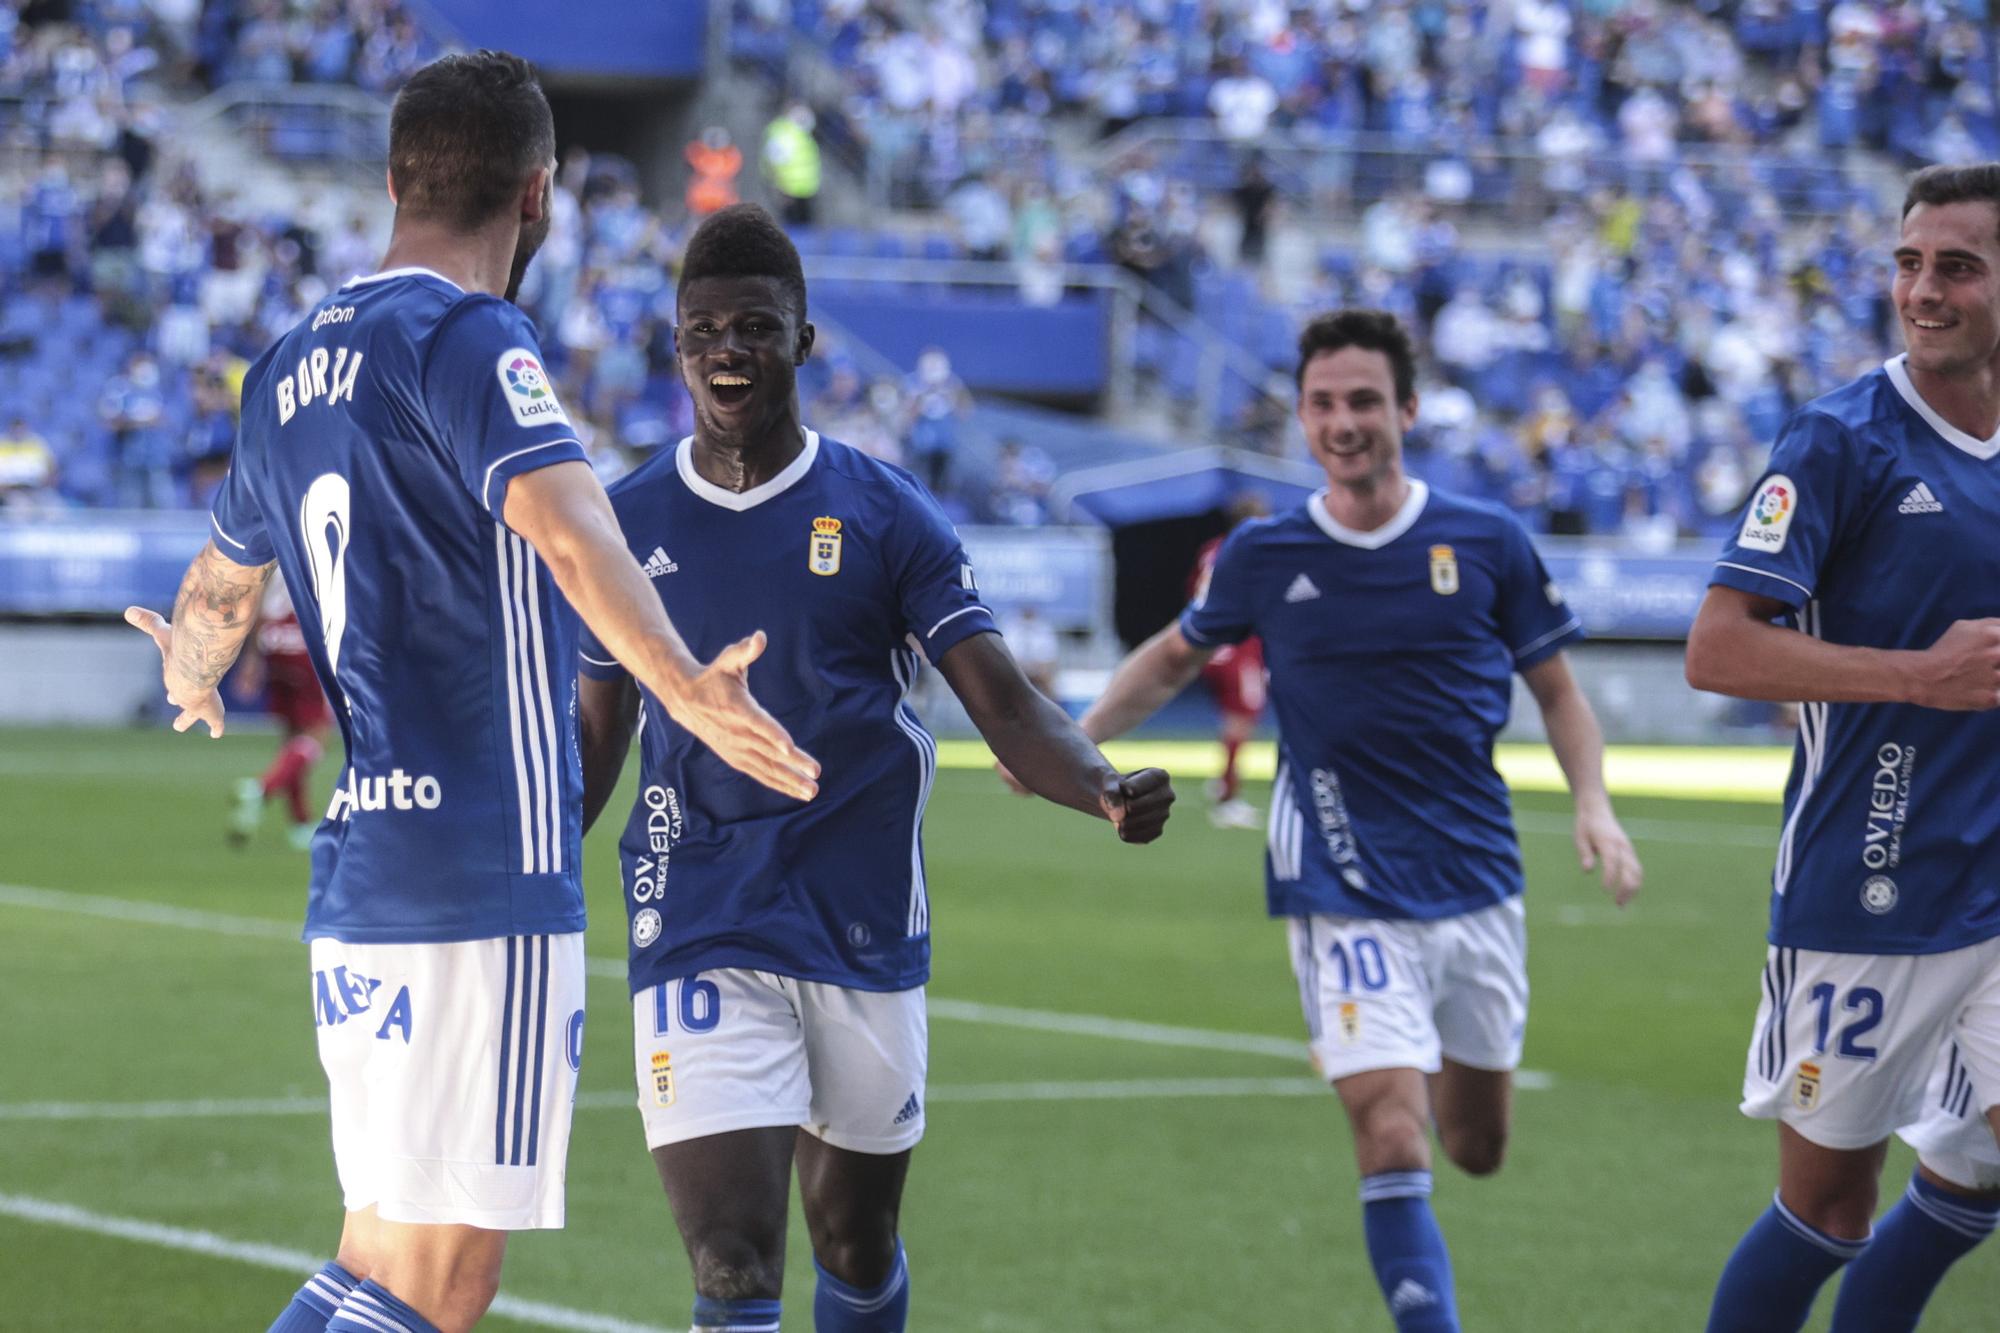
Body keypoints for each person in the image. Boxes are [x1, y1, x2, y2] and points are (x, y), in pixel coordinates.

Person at [123, 53, 817, 1333]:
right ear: (539, 194)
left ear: (393, 180)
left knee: (376, 1260)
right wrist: (680, 682)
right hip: (480, 869)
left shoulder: (285, 367)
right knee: (438, 1287)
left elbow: (220, 583)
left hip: (368, 866)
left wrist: (189, 664)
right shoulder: (465, 334)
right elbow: (568, 527)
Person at [576, 203, 1175, 1333]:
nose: (726, 351)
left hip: (858, 922)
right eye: (702, 329)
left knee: (854, 1243)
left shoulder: (883, 511)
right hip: (697, 910)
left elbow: (1001, 702)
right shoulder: (621, 520)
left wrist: (1096, 781)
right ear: (674, 345)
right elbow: (596, 734)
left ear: (802, 341)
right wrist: (529, 850)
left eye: (755, 327)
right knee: (731, 1257)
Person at [1062, 308, 1641, 1333]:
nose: (1341, 422)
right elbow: (1171, 656)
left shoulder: (1484, 540)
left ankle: (1391, 1047)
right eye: (1322, 403)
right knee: (1390, 1131)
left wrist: (1591, 802)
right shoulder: (1263, 551)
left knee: (1474, 1144)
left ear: (1405, 409)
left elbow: (1555, 690)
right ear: (1300, 415)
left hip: (1475, 877)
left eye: (1363, 400)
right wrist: (1068, 744)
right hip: (1339, 878)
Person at [1685, 162, 2000, 1333]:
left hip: (1993, 888)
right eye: (1908, 263)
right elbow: (1716, 649)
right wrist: (1919, 678)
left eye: (1955, 266)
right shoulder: (1836, 439)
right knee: (1827, 1208)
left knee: (1976, 1176)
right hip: (1860, 893)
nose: (1922, 290)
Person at [228, 572, 333, 852]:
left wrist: (252, 657)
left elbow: (257, 601)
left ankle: (300, 824)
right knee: (317, 735)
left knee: (292, 741)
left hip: (273, 642)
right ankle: (261, 788)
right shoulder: (313, 540)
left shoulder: (270, 552)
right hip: (304, 641)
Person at [1190, 491, 1270, 829]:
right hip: (1238, 645)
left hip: (1211, 643)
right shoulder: (1251, 550)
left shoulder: (1212, 548)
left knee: (1231, 720)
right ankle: (1228, 797)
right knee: (1243, 719)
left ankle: (1221, 781)